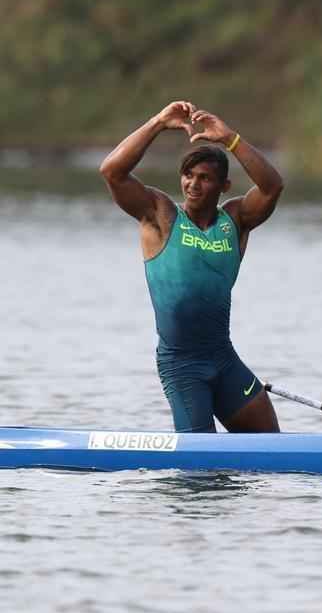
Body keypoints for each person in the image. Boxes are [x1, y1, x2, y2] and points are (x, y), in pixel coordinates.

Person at [98, 101, 285, 433]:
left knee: (273, 448)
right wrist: (158, 122)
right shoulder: (160, 215)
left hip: (224, 360)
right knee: (201, 463)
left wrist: (230, 138)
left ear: (224, 186)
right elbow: (112, 171)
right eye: (188, 175)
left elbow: (272, 186)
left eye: (205, 178)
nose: (193, 184)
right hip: (182, 367)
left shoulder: (236, 220)